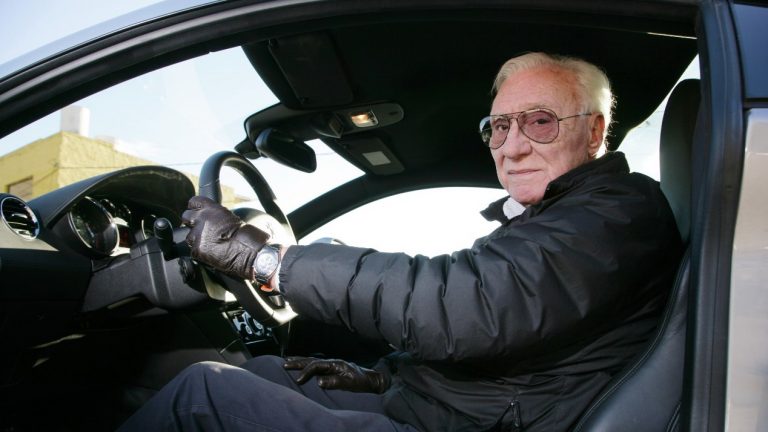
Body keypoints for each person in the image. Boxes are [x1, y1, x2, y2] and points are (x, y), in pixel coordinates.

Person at [119, 52, 683, 431]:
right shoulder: (561, 218)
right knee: (263, 373)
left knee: (203, 393)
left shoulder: (616, 215)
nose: (511, 147)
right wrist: (383, 375)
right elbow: (507, 346)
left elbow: (464, 307)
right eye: (499, 127)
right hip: (451, 413)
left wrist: (266, 259)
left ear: (595, 130)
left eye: (538, 121)